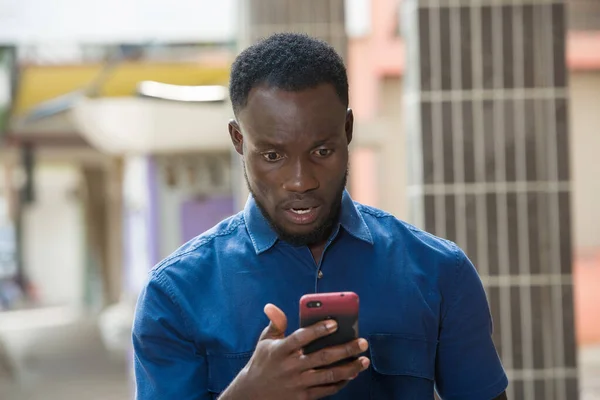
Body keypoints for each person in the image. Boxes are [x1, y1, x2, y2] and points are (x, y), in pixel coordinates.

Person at [132, 33, 508, 400]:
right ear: (238, 141)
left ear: (347, 131)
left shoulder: (440, 272)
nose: (301, 181)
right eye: (273, 156)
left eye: (322, 151)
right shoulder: (173, 296)